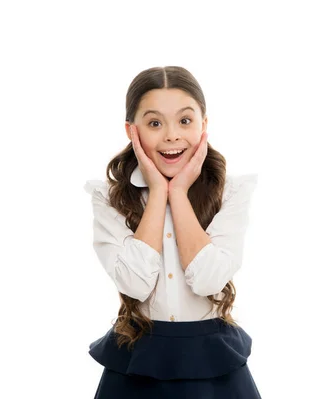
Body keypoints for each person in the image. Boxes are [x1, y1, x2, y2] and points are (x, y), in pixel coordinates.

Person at [83, 66, 262, 398]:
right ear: (131, 130)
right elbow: (135, 284)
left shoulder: (232, 193)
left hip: (215, 366)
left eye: (185, 121)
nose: (171, 136)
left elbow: (209, 279)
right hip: (137, 362)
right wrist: (157, 193)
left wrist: (178, 193)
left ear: (203, 125)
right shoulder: (108, 198)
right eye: (154, 123)